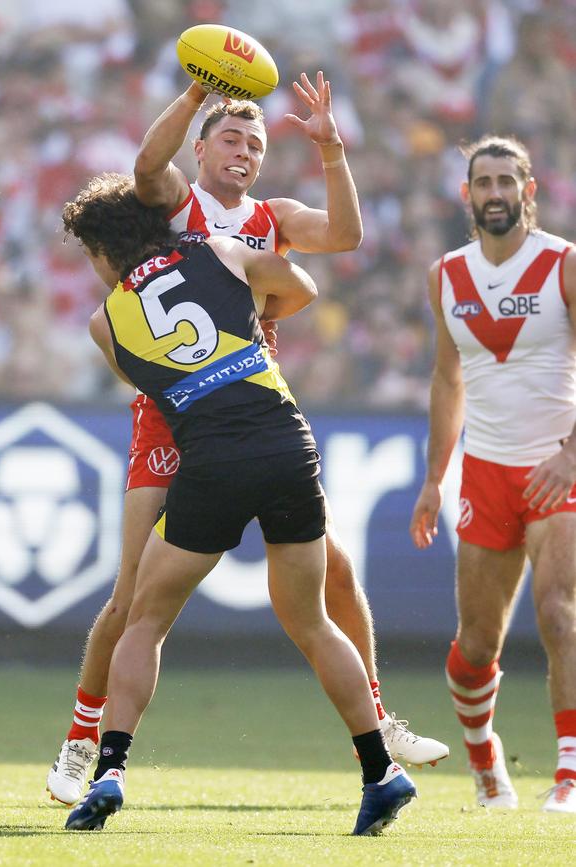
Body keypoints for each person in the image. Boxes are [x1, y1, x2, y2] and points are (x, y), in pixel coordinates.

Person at [47, 72, 447, 806]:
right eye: (232, 137)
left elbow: (348, 237)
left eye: (257, 143)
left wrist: (331, 150)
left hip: (243, 402)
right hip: (171, 415)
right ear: (200, 150)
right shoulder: (175, 203)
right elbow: (142, 168)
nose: (245, 151)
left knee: (339, 574)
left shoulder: (272, 217)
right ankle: (81, 738)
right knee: (132, 593)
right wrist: (198, 92)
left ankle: (378, 719)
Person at [410, 134, 576, 813]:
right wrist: (433, 479)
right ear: (468, 195)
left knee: (560, 613)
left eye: (509, 181)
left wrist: (571, 453)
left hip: (558, 469)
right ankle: (487, 767)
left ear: (529, 191)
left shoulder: (564, 263)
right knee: (477, 645)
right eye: (485, 183)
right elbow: (448, 379)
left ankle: (569, 774)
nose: (498, 193)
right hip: (484, 473)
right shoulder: (446, 275)